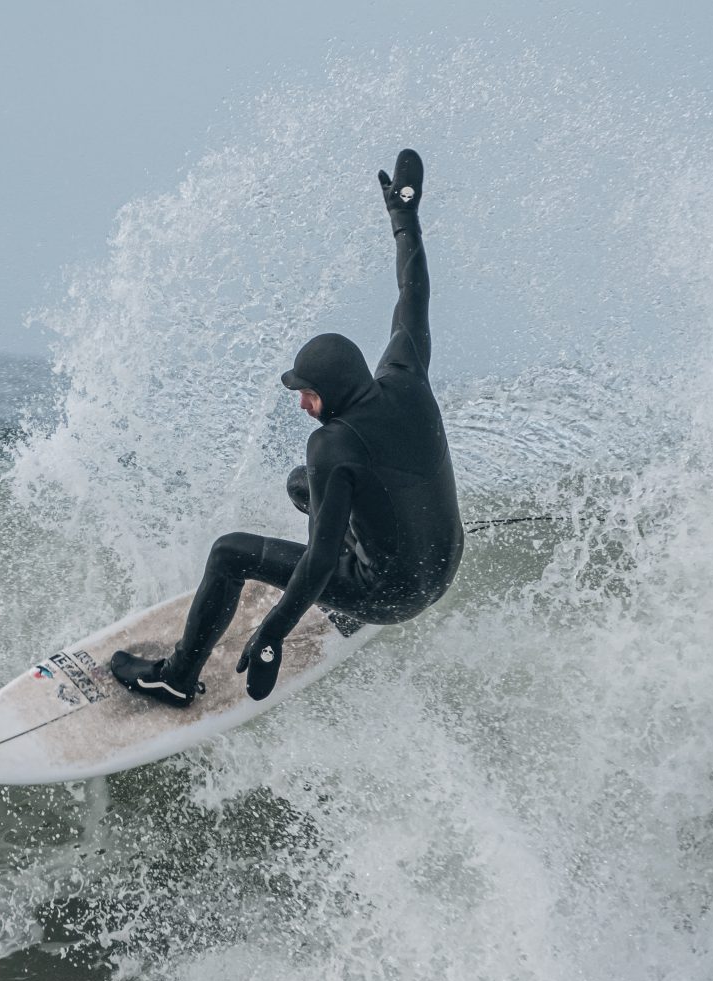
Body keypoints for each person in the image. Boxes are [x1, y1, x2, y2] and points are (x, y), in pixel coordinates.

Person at [109, 148, 463, 706]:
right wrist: (404, 217)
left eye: (306, 393)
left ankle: (175, 679)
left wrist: (272, 633)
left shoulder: (335, 443)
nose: (302, 404)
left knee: (229, 553)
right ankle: (349, 589)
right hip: (443, 566)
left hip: (392, 594)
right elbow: (413, 294)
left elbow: (321, 558)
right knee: (302, 486)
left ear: (329, 393)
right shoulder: (405, 375)